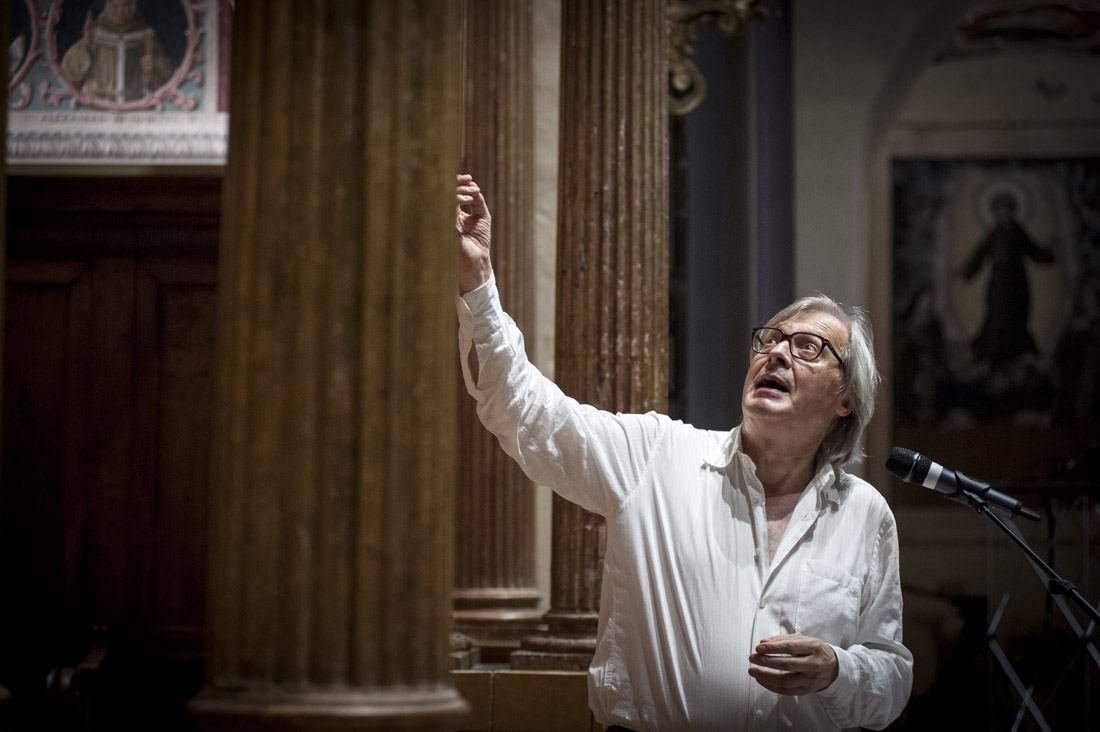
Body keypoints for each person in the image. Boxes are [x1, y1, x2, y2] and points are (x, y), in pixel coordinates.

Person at [454, 175, 912, 731]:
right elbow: (523, 408)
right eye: (769, 339)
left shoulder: (865, 514)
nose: (776, 354)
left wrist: (839, 670)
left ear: (846, 399)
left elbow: (891, 677)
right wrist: (478, 280)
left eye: (807, 347)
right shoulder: (657, 456)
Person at [60, 0, 174, 105]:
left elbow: (167, 77)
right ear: (107, 6)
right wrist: (85, 44)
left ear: (133, 7)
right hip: (98, 102)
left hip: (136, 102)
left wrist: (154, 66)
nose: (120, 11)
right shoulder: (94, 34)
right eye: (115, 6)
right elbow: (69, 73)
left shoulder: (146, 35)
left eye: (125, 6)